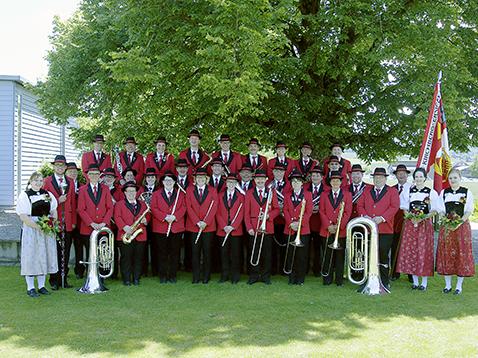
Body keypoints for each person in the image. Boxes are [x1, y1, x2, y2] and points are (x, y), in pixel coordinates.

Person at [396, 168, 441, 290]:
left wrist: (422, 218)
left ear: (425, 178)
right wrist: (411, 217)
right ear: (414, 178)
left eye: (421, 177)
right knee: (412, 251)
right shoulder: (408, 191)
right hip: (411, 224)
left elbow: (435, 210)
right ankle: (415, 282)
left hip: (425, 225)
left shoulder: (431, 192)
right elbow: (404, 208)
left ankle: (424, 283)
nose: (418, 179)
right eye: (416, 177)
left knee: (424, 251)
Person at [16, 172, 58, 297]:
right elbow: (23, 216)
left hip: (45, 229)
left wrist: (52, 221)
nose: (38, 183)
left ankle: (42, 286)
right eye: (36, 180)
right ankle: (30, 288)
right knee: (32, 256)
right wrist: (37, 227)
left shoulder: (47, 194)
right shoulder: (25, 195)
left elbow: (53, 209)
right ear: (30, 181)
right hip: (31, 229)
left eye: (40, 180)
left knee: (44, 255)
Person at [357, 167, 400, 289]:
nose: (378, 179)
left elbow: (394, 207)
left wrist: (382, 218)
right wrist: (366, 216)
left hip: (385, 230)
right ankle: (367, 281)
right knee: (368, 255)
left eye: (381, 177)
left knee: (383, 255)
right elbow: (360, 205)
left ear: (385, 179)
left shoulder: (392, 191)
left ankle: (384, 281)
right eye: (376, 177)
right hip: (369, 229)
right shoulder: (366, 190)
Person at [436, 169, 475, 295]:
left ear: (460, 178)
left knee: (460, 254)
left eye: (455, 178)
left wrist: (458, 223)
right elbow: (441, 210)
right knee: (446, 254)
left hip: (461, 227)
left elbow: (469, 210)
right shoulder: (444, 192)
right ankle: (447, 285)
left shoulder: (466, 192)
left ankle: (459, 286)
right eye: (451, 178)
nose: (452, 180)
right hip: (447, 227)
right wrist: (447, 221)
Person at [43, 155, 77, 290]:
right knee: (54, 251)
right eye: (57, 165)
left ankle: (64, 279)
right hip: (54, 221)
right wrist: (57, 199)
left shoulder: (70, 181)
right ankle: (53, 280)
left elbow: (73, 203)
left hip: (67, 221)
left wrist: (73, 221)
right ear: (54, 166)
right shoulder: (47, 181)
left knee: (66, 251)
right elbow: (44, 202)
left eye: (62, 165)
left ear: (65, 167)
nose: (60, 167)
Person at [76, 164, 114, 278]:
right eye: (91, 174)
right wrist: (92, 223)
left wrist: (103, 223)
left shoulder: (105, 189)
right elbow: (81, 209)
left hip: (103, 227)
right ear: (88, 175)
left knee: (103, 253)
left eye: (96, 174)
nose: (94, 176)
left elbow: (110, 207)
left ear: (100, 176)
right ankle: (91, 277)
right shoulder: (82, 190)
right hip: (88, 228)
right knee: (90, 253)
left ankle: (101, 276)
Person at [244, 169, 280, 285]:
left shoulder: (271, 192)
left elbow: (277, 209)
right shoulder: (249, 193)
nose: (260, 180)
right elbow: (246, 213)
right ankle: (254, 275)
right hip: (254, 228)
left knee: (267, 253)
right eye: (257, 178)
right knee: (253, 252)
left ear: (265, 180)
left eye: (262, 178)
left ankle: (265, 276)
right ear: (254, 180)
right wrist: (249, 227)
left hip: (267, 227)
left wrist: (268, 215)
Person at [150, 171, 186, 283]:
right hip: (161, 227)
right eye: (166, 180)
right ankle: (163, 275)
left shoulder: (180, 194)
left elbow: (184, 207)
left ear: (175, 182)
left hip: (176, 227)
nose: (168, 182)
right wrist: (165, 217)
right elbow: (154, 208)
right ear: (162, 182)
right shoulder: (156, 194)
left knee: (175, 253)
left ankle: (173, 275)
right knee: (162, 253)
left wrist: (174, 217)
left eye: (170, 180)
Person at [319, 171, 352, 286]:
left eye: (337, 181)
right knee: (327, 255)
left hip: (340, 230)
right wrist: (328, 225)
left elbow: (347, 212)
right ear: (330, 183)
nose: (335, 182)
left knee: (339, 256)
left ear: (341, 182)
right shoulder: (324, 194)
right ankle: (327, 279)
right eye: (333, 181)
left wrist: (339, 226)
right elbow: (321, 211)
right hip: (327, 230)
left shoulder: (347, 194)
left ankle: (339, 280)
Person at [186, 168, 218, 283]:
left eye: (203, 177)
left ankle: (206, 276)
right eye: (198, 177)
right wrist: (197, 222)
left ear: (206, 179)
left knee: (207, 252)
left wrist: (205, 222)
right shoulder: (189, 190)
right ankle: (196, 276)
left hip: (208, 227)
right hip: (194, 226)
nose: (200, 179)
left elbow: (214, 207)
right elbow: (188, 207)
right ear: (195, 179)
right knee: (195, 253)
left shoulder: (213, 190)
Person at [114, 181, 150, 286]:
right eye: (128, 191)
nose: (131, 193)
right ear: (124, 193)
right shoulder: (119, 204)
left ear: (136, 192)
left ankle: (136, 278)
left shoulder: (143, 204)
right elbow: (117, 217)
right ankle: (126, 279)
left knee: (138, 258)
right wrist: (124, 227)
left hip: (140, 235)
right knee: (126, 258)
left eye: (133, 191)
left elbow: (148, 215)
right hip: (125, 234)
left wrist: (146, 220)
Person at [283, 170, 313, 285]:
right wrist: (291, 223)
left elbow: (309, 211)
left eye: (298, 181)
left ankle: (300, 279)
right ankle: (291, 278)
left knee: (302, 256)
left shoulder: (308, 195)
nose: (295, 183)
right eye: (293, 181)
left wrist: (299, 224)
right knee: (291, 254)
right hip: (290, 228)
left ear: (302, 183)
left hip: (303, 229)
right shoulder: (287, 195)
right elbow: (285, 210)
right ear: (291, 183)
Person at [216, 173, 245, 284]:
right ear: (226, 183)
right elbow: (217, 212)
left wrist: (233, 226)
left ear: (236, 184)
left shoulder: (241, 197)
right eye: (229, 182)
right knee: (224, 254)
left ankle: (235, 276)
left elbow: (241, 213)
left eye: (233, 182)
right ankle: (224, 275)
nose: (231, 184)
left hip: (235, 230)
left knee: (235, 254)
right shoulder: (220, 196)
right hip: (222, 230)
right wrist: (224, 226)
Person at [391, 164, 413, 281]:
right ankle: (394, 272)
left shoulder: (413, 188)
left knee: (409, 247)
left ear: (407, 175)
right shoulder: (391, 189)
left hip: (409, 220)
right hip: (394, 222)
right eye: (399, 173)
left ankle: (410, 273)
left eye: (403, 173)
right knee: (395, 246)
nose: (401, 175)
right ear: (396, 175)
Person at [304, 165, 325, 276]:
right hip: (306, 222)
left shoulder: (327, 189)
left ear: (322, 177)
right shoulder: (304, 187)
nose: (315, 177)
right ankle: (305, 269)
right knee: (305, 247)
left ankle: (317, 270)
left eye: (318, 175)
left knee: (318, 248)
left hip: (320, 222)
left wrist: (319, 208)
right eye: (313, 175)